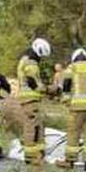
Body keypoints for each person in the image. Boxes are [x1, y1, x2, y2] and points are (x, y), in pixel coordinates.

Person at [16, 37, 52, 165]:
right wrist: (48, 89)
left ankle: (37, 155)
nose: (41, 59)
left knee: (37, 126)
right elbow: (33, 81)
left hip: (27, 98)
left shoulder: (25, 59)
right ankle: (31, 156)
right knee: (33, 127)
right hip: (30, 98)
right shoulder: (31, 62)